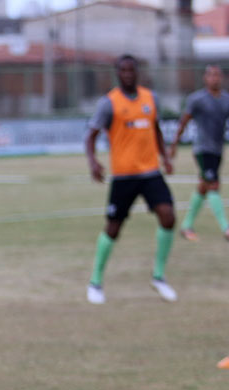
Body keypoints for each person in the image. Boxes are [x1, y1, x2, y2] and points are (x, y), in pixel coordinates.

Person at [85, 55, 177, 305]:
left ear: (138, 72)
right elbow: (90, 136)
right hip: (124, 176)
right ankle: (95, 282)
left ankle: (158, 277)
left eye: (131, 70)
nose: (127, 74)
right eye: (123, 70)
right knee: (113, 228)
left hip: (150, 173)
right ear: (117, 73)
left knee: (168, 216)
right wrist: (93, 162)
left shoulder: (150, 98)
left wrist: (165, 157)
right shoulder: (109, 103)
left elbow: (156, 129)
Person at [169, 65, 229, 242]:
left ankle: (187, 226)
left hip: (218, 150)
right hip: (202, 149)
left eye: (217, 75)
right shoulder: (197, 99)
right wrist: (174, 144)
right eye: (211, 75)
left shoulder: (226, 99)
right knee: (213, 185)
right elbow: (183, 122)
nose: (214, 78)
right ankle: (226, 228)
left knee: (204, 187)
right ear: (205, 78)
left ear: (222, 78)